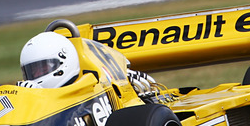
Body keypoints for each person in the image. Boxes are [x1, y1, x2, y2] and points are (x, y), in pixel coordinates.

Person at [16, 30, 161, 100]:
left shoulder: (93, 90)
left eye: (43, 68)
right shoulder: (27, 96)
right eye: (32, 71)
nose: (36, 76)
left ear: (63, 60)